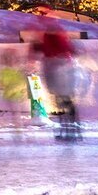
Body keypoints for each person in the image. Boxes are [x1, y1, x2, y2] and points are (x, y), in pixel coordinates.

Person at [31, 8, 81, 142]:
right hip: (59, 68)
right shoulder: (52, 33)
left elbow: (62, 48)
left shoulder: (53, 33)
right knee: (63, 100)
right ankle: (70, 130)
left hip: (60, 69)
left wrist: (39, 47)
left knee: (64, 100)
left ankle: (70, 130)